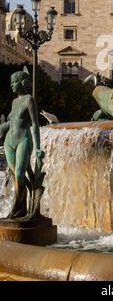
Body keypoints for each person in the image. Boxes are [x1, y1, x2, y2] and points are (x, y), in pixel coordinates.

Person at [0, 68, 43, 218]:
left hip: (23, 140)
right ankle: (22, 208)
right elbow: (12, 122)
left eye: (14, 82)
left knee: (19, 173)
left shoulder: (29, 100)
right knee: (16, 176)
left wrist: (37, 147)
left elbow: (35, 124)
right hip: (9, 142)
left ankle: (17, 209)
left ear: (22, 82)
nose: (11, 85)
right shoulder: (14, 102)